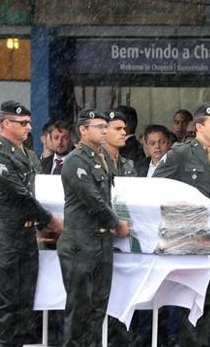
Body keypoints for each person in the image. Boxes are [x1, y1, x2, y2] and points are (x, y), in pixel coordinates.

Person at [153, 104, 210, 346]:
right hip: (189, 237)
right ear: (199, 127)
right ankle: (187, 342)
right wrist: (187, 211)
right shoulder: (180, 153)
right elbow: (159, 185)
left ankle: (203, 341)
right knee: (188, 295)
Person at [0, 101, 63, 346]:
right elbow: (20, 195)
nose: (29, 127)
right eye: (23, 123)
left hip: (26, 236)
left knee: (24, 303)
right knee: (6, 302)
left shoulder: (27, 154)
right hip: (6, 236)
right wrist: (50, 220)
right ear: (6, 124)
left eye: (29, 122)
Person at [58, 109, 129, 347]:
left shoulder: (103, 158)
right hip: (80, 242)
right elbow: (92, 199)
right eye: (99, 126)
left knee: (98, 308)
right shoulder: (76, 160)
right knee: (79, 309)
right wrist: (116, 223)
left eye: (105, 126)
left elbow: (109, 198)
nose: (104, 130)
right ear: (83, 130)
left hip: (101, 243)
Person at [103, 110, 136, 177]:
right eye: (118, 129)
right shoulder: (93, 162)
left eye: (124, 128)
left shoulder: (128, 164)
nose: (124, 132)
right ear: (104, 131)